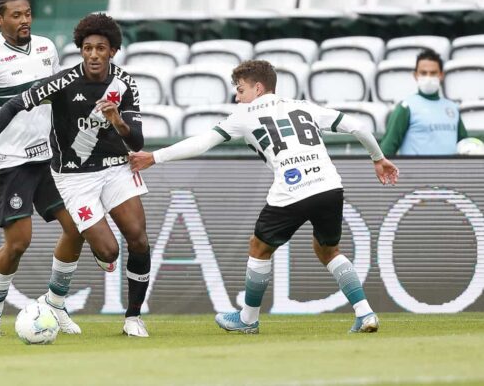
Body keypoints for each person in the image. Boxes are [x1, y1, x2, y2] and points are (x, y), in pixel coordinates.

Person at [130, 60, 400, 334]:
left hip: (292, 189)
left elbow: (201, 142)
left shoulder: (244, 115)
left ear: (258, 88)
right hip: (330, 185)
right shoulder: (304, 106)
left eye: (241, 90)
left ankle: (248, 320)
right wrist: (378, 159)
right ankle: (365, 312)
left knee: (259, 247)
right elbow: (357, 126)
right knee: (328, 250)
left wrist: (155, 156)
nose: (237, 96)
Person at [0, 13, 153, 337]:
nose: (92, 54)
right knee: (104, 251)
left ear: (113, 51)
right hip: (71, 175)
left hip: (116, 167)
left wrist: (117, 120)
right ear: (80, 49)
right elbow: (12, 106)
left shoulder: (124, 85)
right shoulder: (63, 81)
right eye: (87, 48)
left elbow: (137, 141)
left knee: (138, 238)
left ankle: (126, 316)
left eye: (100, 48)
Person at [0, 0, 85, 338]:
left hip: (50, 158)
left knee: (76, 229)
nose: (25, 20)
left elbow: (58, 97)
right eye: (16, 15)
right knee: (18, 243)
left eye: (27, 13)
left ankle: (55, 304)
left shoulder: (46, 48)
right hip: (10, 162)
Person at [380, 50, 468, 156]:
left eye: (433, 73)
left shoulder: (453, 108)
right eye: (423, 73)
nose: (428, 77)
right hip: (416, 172)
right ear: (415, 75)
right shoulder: (406, 107)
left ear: (441, 75)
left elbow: (464, 145)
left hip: (449, 172)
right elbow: (386, 150)